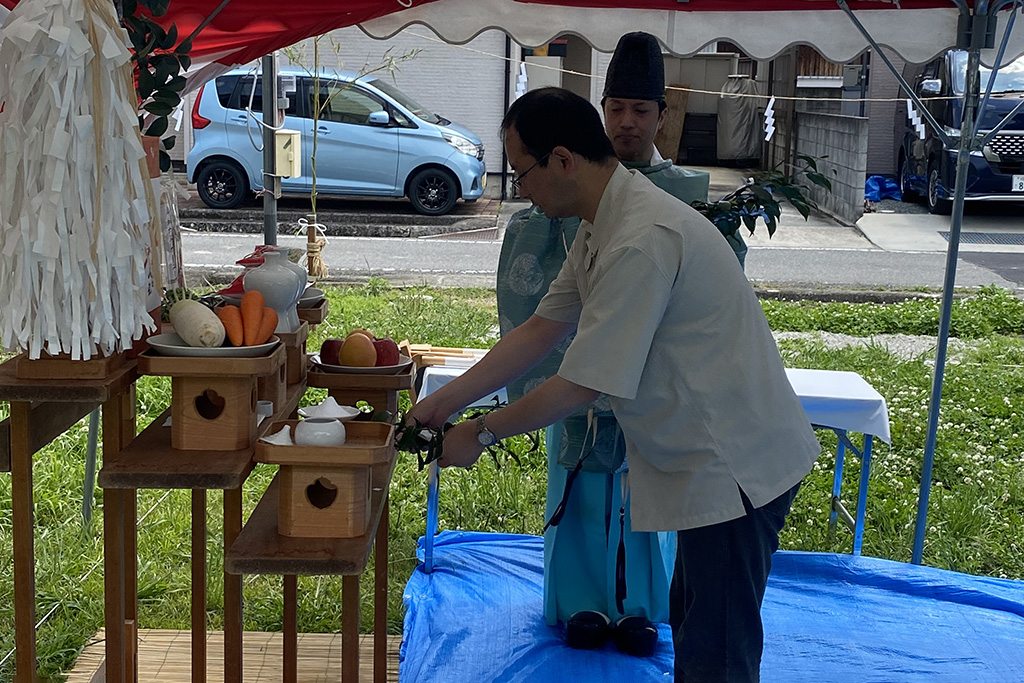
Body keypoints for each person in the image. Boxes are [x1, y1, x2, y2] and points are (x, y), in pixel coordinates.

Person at [405, 86, 820, 682]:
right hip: (706, 457)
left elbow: (583, 382)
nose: (521, 189)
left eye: (522, 173)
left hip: (735, 464)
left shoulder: (640, 238)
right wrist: (438, 405)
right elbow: (541, 330)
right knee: (696, 623)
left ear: (564, 160)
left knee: (717, 649)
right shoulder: (603, 222)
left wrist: (482, 432)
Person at [497, 32, 723, 643]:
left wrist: (484, 427)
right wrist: (459, 407)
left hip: (648, 375)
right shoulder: (583, 202)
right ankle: (582, 602)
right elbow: (542, 316)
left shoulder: (668, 207)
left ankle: (640, 606)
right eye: (616, 107)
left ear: (661, 116)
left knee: (645, 486)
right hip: (579, 364)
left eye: (640, 110)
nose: (626, 122)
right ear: (601, 110)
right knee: (584, 478)